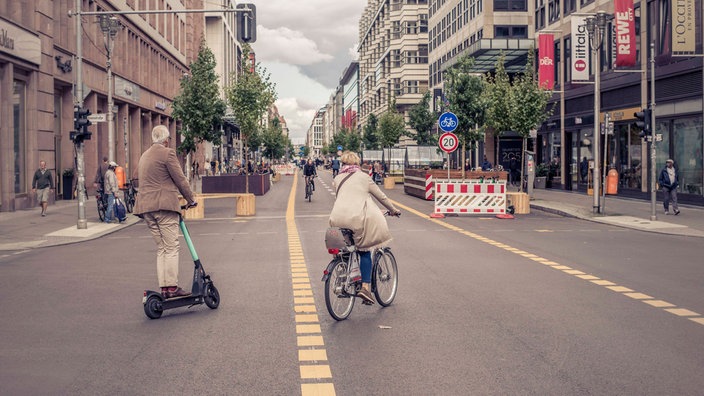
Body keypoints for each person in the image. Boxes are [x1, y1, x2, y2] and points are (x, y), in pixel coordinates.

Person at [329, 151, 401, 305]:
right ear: (357, 163)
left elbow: (345, 198)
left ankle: (343, 274)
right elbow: (381, 197)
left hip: (336, 218)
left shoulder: (337, 178)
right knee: (364, 250)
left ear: (343, 163)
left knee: (344, 250)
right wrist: (393, 210)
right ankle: (365, 288)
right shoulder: (364, 177)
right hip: (356, 219)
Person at [134, 125, 197, 299]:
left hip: (146, 208)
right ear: (167, 140)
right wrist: (191, 199)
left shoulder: (144, 155)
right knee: (171, 247)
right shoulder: (167, 153)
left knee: (162, 248)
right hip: (163, 206)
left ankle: (164, 287)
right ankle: (171, 287)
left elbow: (137, 177)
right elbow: (180, 179)